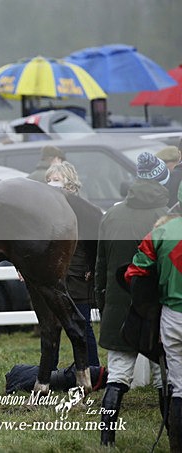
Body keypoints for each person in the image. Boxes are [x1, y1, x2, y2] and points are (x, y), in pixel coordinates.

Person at [95, 151, 169, 447]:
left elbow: (100, 268)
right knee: (166, 378)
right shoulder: (167, 218)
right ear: (161, 182)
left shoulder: (111, 215)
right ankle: (173, 437)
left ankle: (106, 441)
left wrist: (104, 305)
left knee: (118, 376)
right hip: (157, 310)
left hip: (118, 307)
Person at [125, 212, 182, 452]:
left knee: (179, 386)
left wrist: (150, 312)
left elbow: (134, 275)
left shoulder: (160, 234)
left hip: (172, 316)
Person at [45, 161, 100, 368]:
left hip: (77, 274)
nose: (51, 184)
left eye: (56, 180)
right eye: (49, 180)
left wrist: (91, 268)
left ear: (69, 182)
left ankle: (92, 368)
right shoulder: (45, 208)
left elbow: (93, 243)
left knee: (82, 323)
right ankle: (50, 368)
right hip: (55, 275)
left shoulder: (83, 210)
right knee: (52, 324)